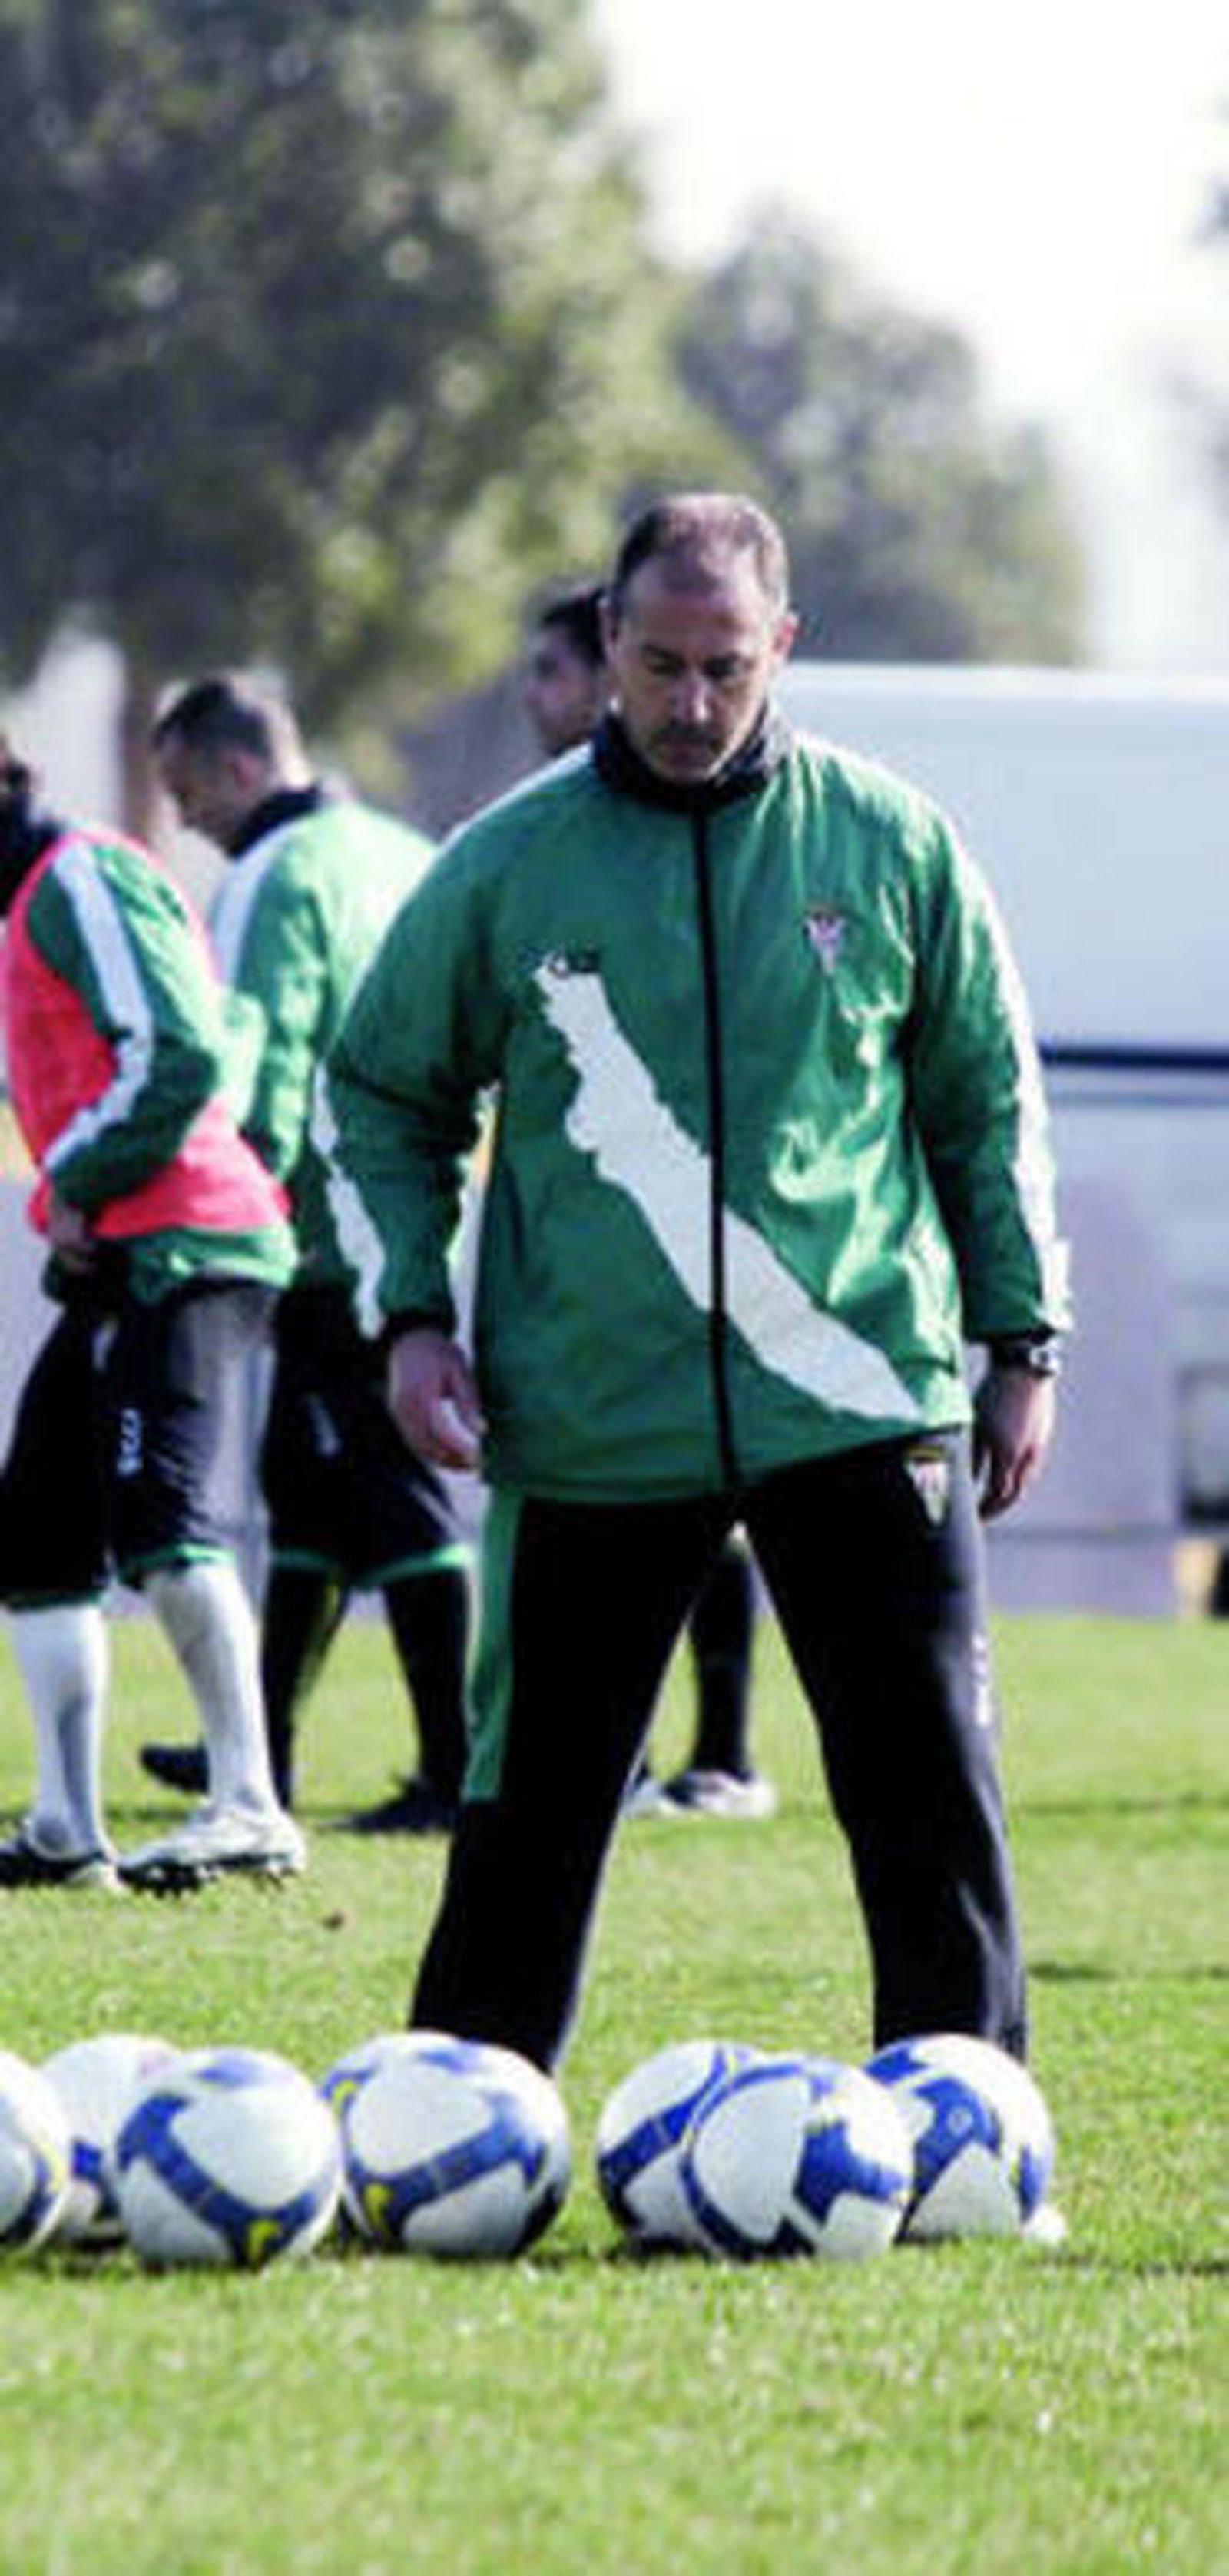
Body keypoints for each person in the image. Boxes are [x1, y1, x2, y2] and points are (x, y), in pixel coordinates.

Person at [326, 491, 1069, 2079]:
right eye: (654, 662)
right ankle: (466, 2122)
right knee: (524, 1815)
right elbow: (382, 1091)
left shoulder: (887, 843)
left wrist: (1020, 1336)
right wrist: (407, 1314)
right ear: (604, 640)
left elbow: (981, 1104)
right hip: (592, 1412)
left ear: (779, 648)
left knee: (929, 1797)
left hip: (863, 1396)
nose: (684, 703)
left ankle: (972, 2135)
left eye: (721, 666)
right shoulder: (504, 865)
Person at [137, 675, 470, 1833]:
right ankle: (256, 1746)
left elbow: (262, 1053)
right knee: (311, 1491)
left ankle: (452, 1767)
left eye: (185, 792)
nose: (180, 819)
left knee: (391, 1494)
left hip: (320, 1229)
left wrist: (228, 1202)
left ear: (238, 768)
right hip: (410, 1206)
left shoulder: (275, 874)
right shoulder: (399, 848)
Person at [0, 738, 303, 1891]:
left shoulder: (82, 874)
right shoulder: (34, 899)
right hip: (129, 1247)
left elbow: (178, 1051)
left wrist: (74, 1173)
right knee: (36, 1527)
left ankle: (250, 1805)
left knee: (161, 1512)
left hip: (192, 1240)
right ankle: (68, 1826)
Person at [522, 585, 774, 1823]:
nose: (538, 700)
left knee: (722, 1518)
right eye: (658, 666)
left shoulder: (746, 832)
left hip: (710, 1263)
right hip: (603, 1284)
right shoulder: (533, 846)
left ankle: (723, 1752)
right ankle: (619, 1767)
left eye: (550, 676)